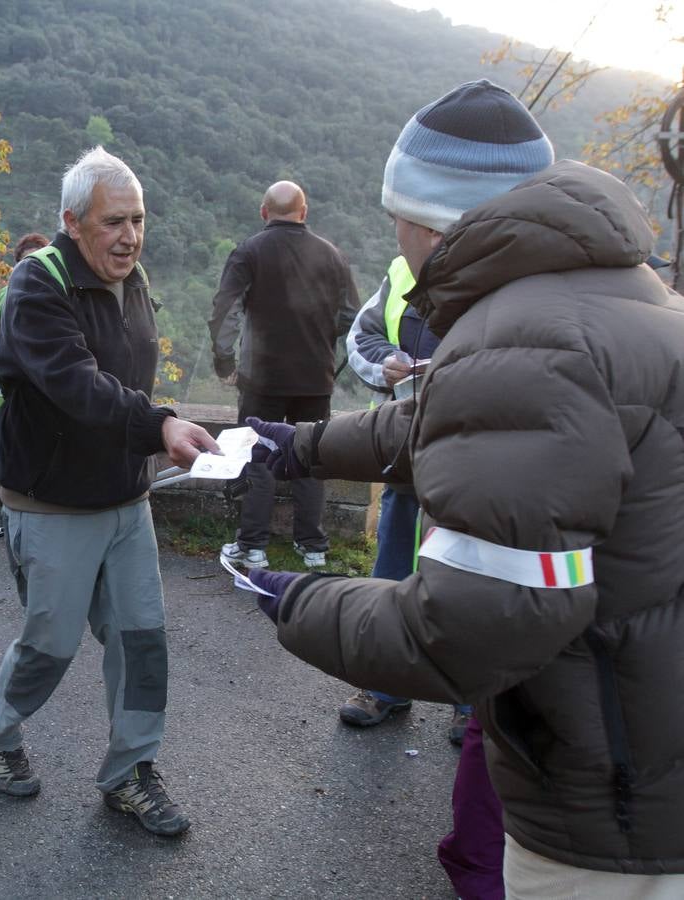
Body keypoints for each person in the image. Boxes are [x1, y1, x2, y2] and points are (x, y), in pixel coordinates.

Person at [247, 80, 684, 896]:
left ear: (427, 219)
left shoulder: (525, 336)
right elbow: (447, 421)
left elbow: (470, 626)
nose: (399, 240)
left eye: (396, 219)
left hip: (609, 797)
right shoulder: (621, 293)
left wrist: (293, 598)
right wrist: (300, 446)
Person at [0, 146, 219, 837]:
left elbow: (125, 384)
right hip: (50, 503)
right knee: (48, 645)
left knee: (142, 640)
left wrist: (156, 427)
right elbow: (75, 384)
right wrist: (159, 423)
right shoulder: (36, 287)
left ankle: (129, 773)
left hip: (123, 500)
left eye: (137, 220)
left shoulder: (131, 282)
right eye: (113, 222)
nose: (130, 236)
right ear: (73, 222)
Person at [339, 256, 472, 745]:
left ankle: (472, 704)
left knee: (467, 583)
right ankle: (384, 688)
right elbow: (361, 336)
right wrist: (385, 365)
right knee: (391, 579)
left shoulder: (505, 265)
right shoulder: (400, 270)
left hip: (475, 464)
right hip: (405, 458)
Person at [208, 180, 359, 569]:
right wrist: (319, 338)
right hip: (315, 378)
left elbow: (225, 311)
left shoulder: (249, 252)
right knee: (310, 458)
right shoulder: (332, 255)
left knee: (258, 456)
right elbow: (349, 316)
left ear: (264, 212)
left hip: (263, 378)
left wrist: (225, 362)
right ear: (304, 212)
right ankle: (313, 547)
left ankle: (252, 546)